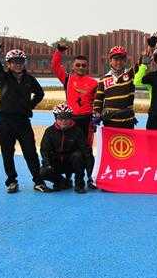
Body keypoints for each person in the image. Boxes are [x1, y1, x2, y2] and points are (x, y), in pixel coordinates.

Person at [0, 41, 43, 193]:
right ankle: (12, 181)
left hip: (23, 121)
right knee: (7, 153)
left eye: (20, 61)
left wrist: (30, 106)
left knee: (30, 152)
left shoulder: (29, 79)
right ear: (8, 64)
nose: (18, 64)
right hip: (5, 121)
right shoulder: (3, 77)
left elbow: (40, 93)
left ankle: (38, 181)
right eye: (14, 62)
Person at [51, 42, 98, 183]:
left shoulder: (94, 83)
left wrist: (96, 117)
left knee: (87, 150)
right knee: (70, 148)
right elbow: (55, 66)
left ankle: (91, 178)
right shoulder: (67, 79)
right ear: (73, 66)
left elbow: (98, 102)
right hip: (71, 120)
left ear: (87, 67)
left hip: (87, 120)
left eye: (83, 65)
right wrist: (59, 51)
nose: (81, 67)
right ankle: (69, 176)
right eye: (78, 65)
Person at [39, 104, 89, 193]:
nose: (63, 121)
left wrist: (90, 173)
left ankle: (79, 184)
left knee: (78, 156)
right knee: (42, 172)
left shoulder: (78, 131)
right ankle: (62, 181)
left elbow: (85, 150)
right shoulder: (49, 131)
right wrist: (47, 164)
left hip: (72, 163)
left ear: (71, 118)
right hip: (56, 163)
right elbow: (44, 150)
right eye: (60, 118)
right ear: (56, 118)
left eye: (66, 118)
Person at [92, 46, 139, 129]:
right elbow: (98, 99)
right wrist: (97, 114)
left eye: (122, 59)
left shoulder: (130, 75)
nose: (119, 62)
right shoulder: (103, 79)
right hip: (110, 123)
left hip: (127, 121)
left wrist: (150, 49)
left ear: (125, 61)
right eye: (116, 59)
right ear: (110, 61)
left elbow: (140, 65)